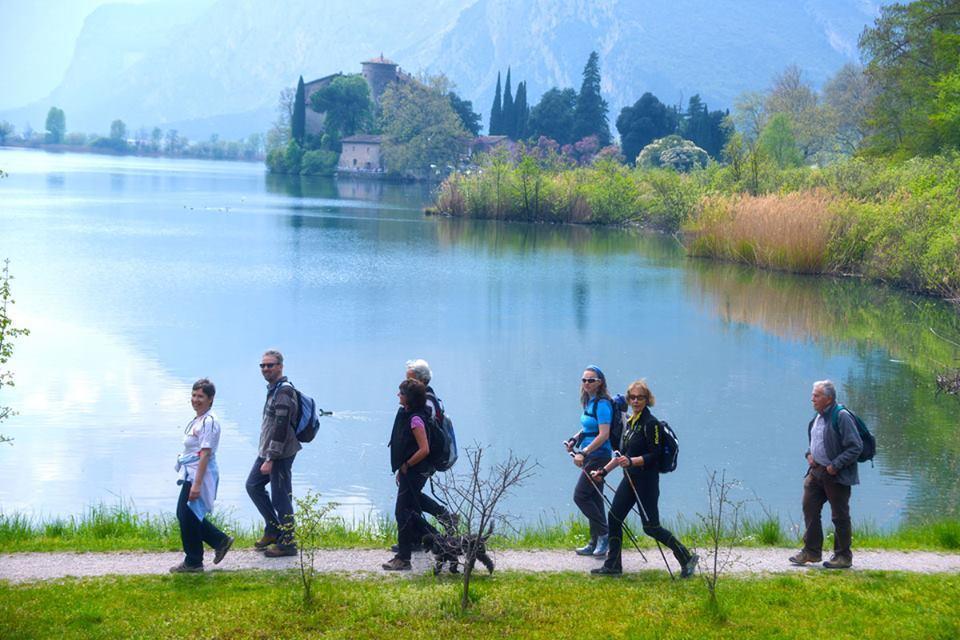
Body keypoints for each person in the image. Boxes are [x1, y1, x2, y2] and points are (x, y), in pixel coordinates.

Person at [589, 379, 698, 577]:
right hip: (629, 480)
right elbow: (621, 455)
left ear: (648, 400)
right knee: (614, 519)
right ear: (629, 400)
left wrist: (632, 462)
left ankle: (686, 557)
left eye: (640, 397)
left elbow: (654, 456)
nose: (636, 401)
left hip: (646, 482)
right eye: (632, 397)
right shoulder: (631, 423)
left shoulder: (651, 424)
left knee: (651, 527)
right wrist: (603, 471)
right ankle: (613, 565)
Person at [790, 379, 863, 569]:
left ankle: (843, 556)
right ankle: (812, 552)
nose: (812, 399)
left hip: (835, 475)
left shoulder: (842, 416)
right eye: (813, 395)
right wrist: (809, 454)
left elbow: (855, 446)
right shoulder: (819, 416)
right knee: (810, 507)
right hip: (816, 473)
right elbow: (817, 440)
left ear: (828, 399)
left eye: (816, 395)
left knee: (839, 515)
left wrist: (835, 465)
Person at [171, 378, 234, 573]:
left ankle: (194, 561)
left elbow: (205, 453)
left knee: (186, 513)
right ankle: (218, 541)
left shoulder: (209, 422)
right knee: (187, 514)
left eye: (201, 396)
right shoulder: (197, 420)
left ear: (210, 399)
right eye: (194, 395)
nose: (196, 399)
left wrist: (197, 485)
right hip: (191, 471)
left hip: (200, 473)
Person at [245, 349, 301, 558]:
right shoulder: (274, 389)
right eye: (263, 365)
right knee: (253, 485)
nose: (266, 369)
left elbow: (281, 427)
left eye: (270, 365)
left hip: (279, 453)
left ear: (280, 367)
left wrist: (270, 458)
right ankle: (273, 529)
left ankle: (288, 543)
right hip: (267, 450)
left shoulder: (284, 392)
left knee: (280, 496)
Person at [383, 378, 438, 571]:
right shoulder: (409, 414)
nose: (398, 396)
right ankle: (440, 542)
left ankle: (404, 559)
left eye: (401, 393)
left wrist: (406, 465)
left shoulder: (415, 419)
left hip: (415, 472)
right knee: (410, 513)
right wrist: (402, 469)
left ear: (409, 398)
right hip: (410, 471)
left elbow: (424, 449)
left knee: (402, 513)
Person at [403, 359, 458, 538]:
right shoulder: (431, 398)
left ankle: (433, 535)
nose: (406, 384)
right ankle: (424, 534)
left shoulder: (425, 403)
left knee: (407, 498)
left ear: (421, 380)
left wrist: (409, 461)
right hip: (423, 458)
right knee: (411, 496)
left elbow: (423, 437)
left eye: (410, 380)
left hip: (422, 459)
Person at [564, 365, 613, 557]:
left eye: (591, 380)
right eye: (584, 380)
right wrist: (574, 439)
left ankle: (604, 534)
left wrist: (583, 452)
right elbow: (587, 428)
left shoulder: (602, 404)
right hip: (591, 455)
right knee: (594, 497)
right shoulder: (590, 402)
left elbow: (603, 435)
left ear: (599, 382)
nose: (586, 383)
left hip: (599, 456)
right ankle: (595, 542)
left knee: (581, 496)